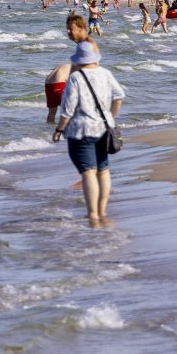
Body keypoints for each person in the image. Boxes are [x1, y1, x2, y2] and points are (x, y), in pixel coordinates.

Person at [51, 39, 124, 223]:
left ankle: (92, 213)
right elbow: (119, 96)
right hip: (103, 128)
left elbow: (67, 110)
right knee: (103, 169)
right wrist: (111, 117)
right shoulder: (105, 74)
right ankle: (102, 211)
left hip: (81, 130)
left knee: (88, 172)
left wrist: (59, 129)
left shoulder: (75, 78)